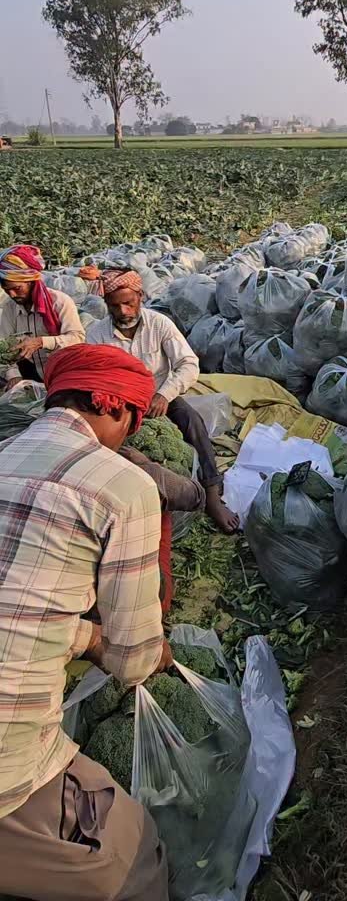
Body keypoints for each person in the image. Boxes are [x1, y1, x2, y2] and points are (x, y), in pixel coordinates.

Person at [0, 343, 173, 901]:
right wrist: (140, 651)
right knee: (129, 855)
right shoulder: (122, 486)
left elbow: (17, 596)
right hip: (8, 753)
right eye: (136, 421)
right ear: (115, 406)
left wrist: (84, 637)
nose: (131, 436)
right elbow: (133, 662)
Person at [87, 268, 238, 535]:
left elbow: (189, 365)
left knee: (192, 422)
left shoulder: (160, 324)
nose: (122, 311)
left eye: (128, 303)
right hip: (118, 404)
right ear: (106, 305)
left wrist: (163, 394)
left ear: (140, 296)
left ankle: (212, 493)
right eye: (114, 306)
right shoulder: (97, 334)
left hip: (159, 397)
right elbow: (94, 377)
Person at [121, 443, 206, 613]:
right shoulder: (142, 472)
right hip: (134, 601)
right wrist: (150, 465)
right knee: (160, 506)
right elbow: (196, 497)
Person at [0, 243, 85, 385]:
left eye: (17, 288)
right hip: (29, 371)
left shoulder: (59, 302)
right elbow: (3, 347)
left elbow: (77, 338)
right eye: (7, 290)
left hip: (62, 370)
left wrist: (42, 342)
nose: (12, 294)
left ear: (31, 281)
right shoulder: (10, 307)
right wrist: (14, 376)